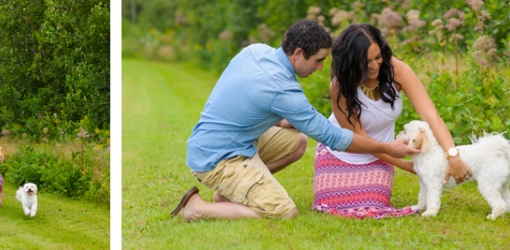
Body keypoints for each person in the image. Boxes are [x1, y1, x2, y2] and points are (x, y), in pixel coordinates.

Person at [169, 19, 420, 222]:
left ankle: (228, 194)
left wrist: (280, 119)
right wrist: (388, 148)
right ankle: (197, 209)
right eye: (318, 60)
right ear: (298, 53)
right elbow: (332, 137)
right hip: (217, 159)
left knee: (297, 141)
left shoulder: (255, 51)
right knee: (283, 212)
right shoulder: (284, 90)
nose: (321, 68)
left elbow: (246, 99)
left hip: (217, 142)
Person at [312, 23, 472, 219]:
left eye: (377, 57)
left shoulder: (398, 70)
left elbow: (432, 117)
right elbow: (359, 138)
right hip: (343, 151)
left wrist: (452, 155)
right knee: (331, 204)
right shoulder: (340, 86)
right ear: (351, 61)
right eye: (366, 61)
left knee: (373, 203)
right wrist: (402, 163)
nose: (374, 66)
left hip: (379, 156)